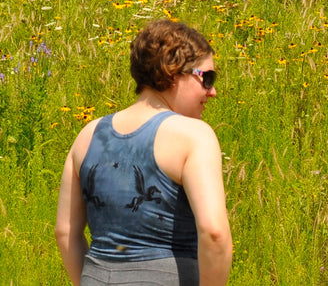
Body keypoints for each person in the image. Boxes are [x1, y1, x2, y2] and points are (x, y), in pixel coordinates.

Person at [55, 19, 233, 286]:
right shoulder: (194, 136)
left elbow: (65, 231)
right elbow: (214, 232)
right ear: (174, 72)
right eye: (206, 78)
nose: (213, 91)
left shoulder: (88, 135)